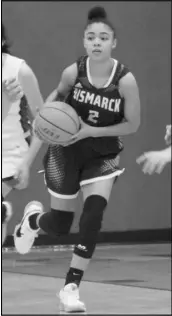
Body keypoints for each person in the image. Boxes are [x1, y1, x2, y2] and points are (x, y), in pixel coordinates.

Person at [13, 7, 140, 313]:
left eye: (103, 37)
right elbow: (49, 114)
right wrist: (28, 160)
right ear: (84, 42)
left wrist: (90, 131)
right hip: (66, 153)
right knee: (59, 225)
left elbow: (132, 124)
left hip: (103, 155)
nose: (97, 42)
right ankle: (31, 222)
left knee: (93, 216)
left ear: (114, 43)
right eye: (91, 37)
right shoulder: (73, 73)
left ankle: (71, 287)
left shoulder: (125, 80)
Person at [2, 23, 44, 245]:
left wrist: (27, 163)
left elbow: (44, 123)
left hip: (12, 152)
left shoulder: (19, 71)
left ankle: (27, 222)